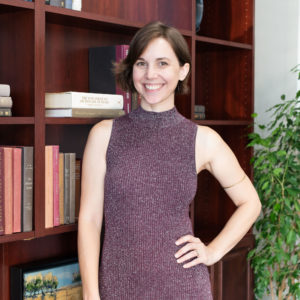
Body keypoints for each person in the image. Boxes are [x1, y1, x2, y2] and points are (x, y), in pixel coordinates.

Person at [78, 21, 261, 300]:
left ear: (182, 70)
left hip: (184, 288)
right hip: (118, 289)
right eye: (141, 63)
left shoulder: (203, 139)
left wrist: (212, 251)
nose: (151, 74)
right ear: (131, 69)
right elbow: (90, 220)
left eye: (162, 63)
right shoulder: (104, 135)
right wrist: (91, 295)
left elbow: (251, 202)